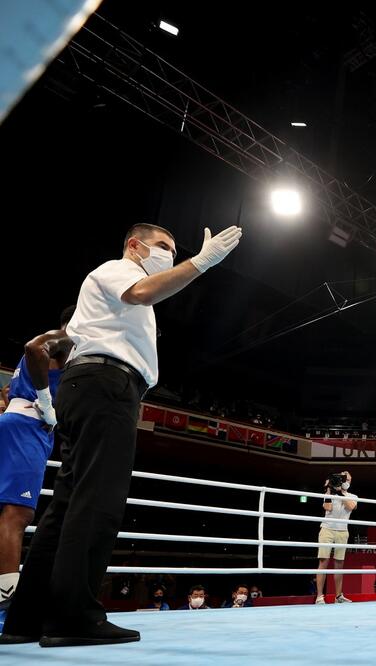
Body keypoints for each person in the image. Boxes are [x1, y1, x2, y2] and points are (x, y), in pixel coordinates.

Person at [0, 223, 241, 647]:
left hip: (88, 387)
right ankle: (73, 618)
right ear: (135, 245)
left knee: (67, 505)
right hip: (105, 386)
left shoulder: (111, 302)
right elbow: (145, 291)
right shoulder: (115, 270)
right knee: (98, 502)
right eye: (163, 245)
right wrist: (201, 262)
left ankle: (28, 619)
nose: (169, 252)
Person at [0, 307, 75, 617]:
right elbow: (33, 348)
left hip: (18, 423)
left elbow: (8, 390)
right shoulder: (67, 338)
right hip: (28, 428)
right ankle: (6, 605)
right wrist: (45, 402)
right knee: (16, 515)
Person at [315, 471, 357, 604]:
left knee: (339, 564)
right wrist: (329, 490)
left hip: (342, 531)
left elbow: (351, 506)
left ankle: (338, 596)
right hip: (327, 529)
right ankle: (320, 596)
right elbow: (327, 507)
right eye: (343, 478)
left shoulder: (352, 496)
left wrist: (340, 493)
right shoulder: (329, 494)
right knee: (323, 562)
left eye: (348, 479)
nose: (346, 481)